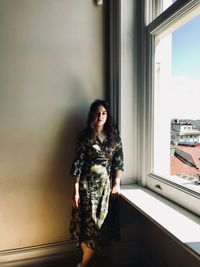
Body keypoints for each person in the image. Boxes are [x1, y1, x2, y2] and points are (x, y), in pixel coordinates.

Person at [69, 100, 124, 267]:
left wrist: (117, 183)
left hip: (105, 190)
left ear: (107, 115)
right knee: (88, 227)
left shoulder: (114, 135)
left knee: (98, 229)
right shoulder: (85, 136)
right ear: (92, 115)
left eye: (104, 113)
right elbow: (77, 163)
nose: (100, 116)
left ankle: (82, 264)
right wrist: (75, 190)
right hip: (87, 188)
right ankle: (83, 264)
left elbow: (119, 162)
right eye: (97, 113)